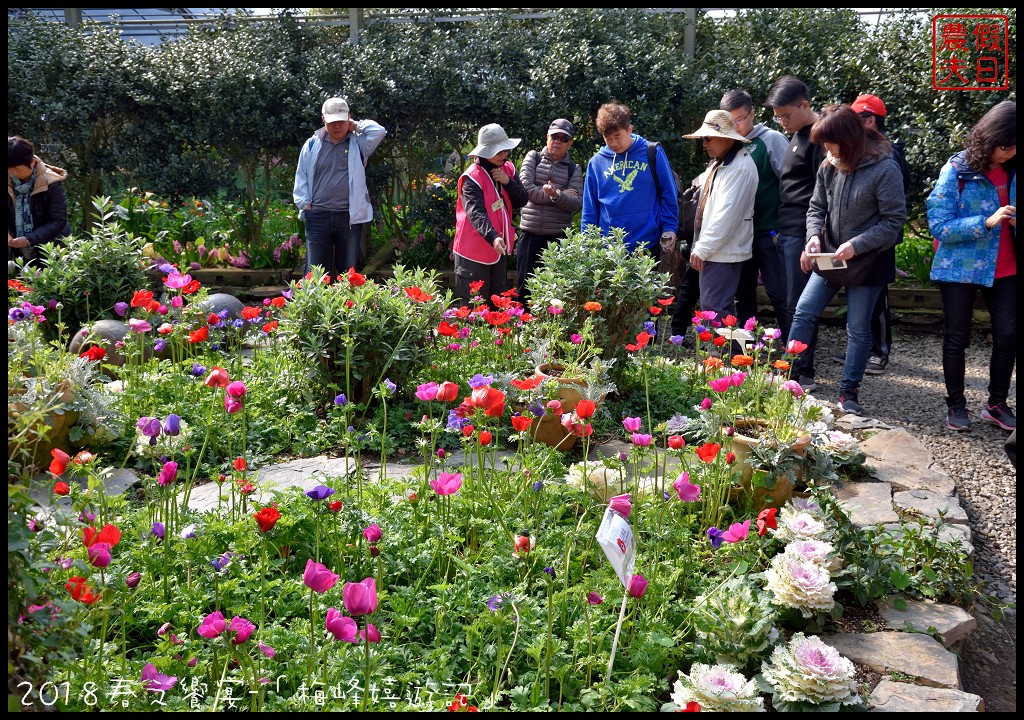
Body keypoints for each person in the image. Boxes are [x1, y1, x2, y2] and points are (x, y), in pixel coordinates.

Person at [788, 104, 906, 416]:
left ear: (849, 139)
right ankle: (790, 378)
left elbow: (893, 223)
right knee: (803, 311)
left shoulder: (885, 167)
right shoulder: (828, 165)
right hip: (830, 256)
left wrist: (857, 244)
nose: (825, 149)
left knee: (857, 328)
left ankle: (848, 391)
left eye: (829, 142)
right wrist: (813, 236)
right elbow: (816, 207)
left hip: (868, 262)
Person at [927, 100, 1016, 433]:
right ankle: (956, 405)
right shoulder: (956, 171)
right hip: (959, 268)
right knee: (956, 337)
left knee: (1008, 335)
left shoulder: (1014, 169)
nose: (1010, 152)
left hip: (1006, 266)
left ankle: (996, 404)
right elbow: (940, 225)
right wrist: (987, 221)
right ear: (990, 138)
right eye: (1006, 146)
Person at [830, 94, 913, 375]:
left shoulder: (890, 155)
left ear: (870, 121)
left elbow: (895, 207)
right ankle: (862, 349)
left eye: (855, 121)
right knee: (858, 297)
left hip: (879, 241)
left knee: (877, 299)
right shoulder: (860, 151)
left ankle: (880, 351)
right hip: (855, 241)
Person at [765, 76, 824, 390]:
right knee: (790, 302)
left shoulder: (818, 137)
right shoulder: (796, 136)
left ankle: (802, 370)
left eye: (786, 115)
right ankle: (793, 365)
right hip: (785, 230)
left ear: (805, 104)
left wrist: (812, 237)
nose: (782, 121)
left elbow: (822, 191)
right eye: (777, 116)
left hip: (803, 232)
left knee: (800, 304)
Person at [720, 89, 790, 330]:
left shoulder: (772, 139)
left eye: (739, 119)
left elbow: (790, 185)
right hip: (741, 236)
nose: (735, 125)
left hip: (770, 231)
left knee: (780, 292)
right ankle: (746, 348)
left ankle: (795, 350)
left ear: (753, 113)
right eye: (729, 121)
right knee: (743, 293)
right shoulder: (729, 145)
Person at [680, 110, 759, 324]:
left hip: (722, 252)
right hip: (718, 250)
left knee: (715, 313)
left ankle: (724, 357)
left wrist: (702, 248)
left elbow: (726, 215)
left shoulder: (740, 167)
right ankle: (723, 356)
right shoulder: (721, 163)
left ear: (726, 137)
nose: (703, 144)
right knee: (714, 311)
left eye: (707, 138)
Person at [293, 97, 386, 276]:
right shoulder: (312, 144)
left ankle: (347, 305)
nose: (337, 126)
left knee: (347, 273)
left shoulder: (358, 144)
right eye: (332, 122)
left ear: (349, 118)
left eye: (342, 121)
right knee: (315, 274)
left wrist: (356, 126)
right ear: (323, 119)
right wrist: (305, 204)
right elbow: (301, 175)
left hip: (348, 218)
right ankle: (314, 304)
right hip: (318, 216)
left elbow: (379, 131)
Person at [581, 102, 678, 257]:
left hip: (648, 243)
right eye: (608, 138)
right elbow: (590, 208)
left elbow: (668, 193)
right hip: (609, 248)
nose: (614, 143)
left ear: (629, 129)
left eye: (618, 136)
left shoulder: (652, 152)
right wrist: (587, 244)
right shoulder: (596, 163)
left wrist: (669, 227)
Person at [452, 123, 529, 303]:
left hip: (497, 251)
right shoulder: (471, 177)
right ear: (485, 152)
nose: (504, 155)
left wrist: (508, 182)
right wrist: (493, 237)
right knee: (473, 308)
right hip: (472, 253)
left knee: (498, 306)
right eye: (499, 152)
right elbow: (475, 213)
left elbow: (522, 199)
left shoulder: (507, 168)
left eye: (505, 150)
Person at [515, 118, 584, 304]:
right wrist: (559, 195)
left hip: (558, 239)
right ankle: (522, 331)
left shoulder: (573, 169)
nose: (558, 142)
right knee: (525, 289)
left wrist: (555, 194)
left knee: (556, 293)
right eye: (555, 137)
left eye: (564, 139)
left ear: (569, 143)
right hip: (530, 235)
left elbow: (577, 203)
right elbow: (525, 190)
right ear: (547, 137)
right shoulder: (533, 157)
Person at [8, 135, 72, 270]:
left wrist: (29, 240)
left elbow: (58, 221)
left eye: (18, 169)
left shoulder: (51, 182)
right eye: (9, 169)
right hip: (19, 252)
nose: (13, 173)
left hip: (51, 249)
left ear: (31, 163)